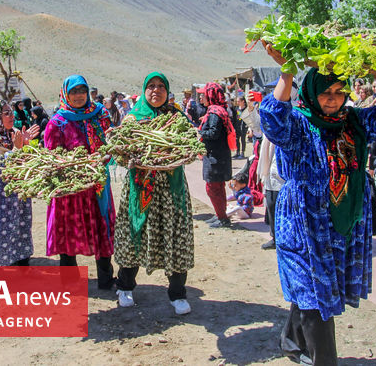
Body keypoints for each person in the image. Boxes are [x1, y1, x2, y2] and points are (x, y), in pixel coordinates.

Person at [259, 40, 376, 366]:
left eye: (339, 92)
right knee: (315, 294)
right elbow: (271, 119)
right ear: (312, 91)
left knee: (319, 285)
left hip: (343, 221)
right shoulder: (298, 122)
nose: (332, 98)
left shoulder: (354, 121)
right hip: (303, 221)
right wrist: (286, 72)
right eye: (326, 92)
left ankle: (290, 339)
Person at [114, 72, 194, 315]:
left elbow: (190, 148)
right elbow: (119, 154)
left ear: (167, 91)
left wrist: (176, 157)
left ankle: (177, 294)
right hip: (140, 189)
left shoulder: (177, 117)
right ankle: (125, 287)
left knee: (175, 236)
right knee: (134, 236)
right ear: (144, 90)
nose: (156, 90)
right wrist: (130, 157)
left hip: (171, 190)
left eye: (161, 86)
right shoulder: (132, 119)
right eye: (151, 86)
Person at [44, 75, 116, 289]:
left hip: (97, 185)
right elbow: (51, 156)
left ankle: (106, 279)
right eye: (73, 91)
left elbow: (110, 143)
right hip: (70, 189)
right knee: (68, 233)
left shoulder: (99, 115)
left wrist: (104, 156)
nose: (78, 96)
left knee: (101, 228)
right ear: (66, 93)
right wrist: (72, 165)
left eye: (82, 91)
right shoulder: (57, 123)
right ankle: (70, 283)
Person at [0, 101, 39, 266]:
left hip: (15, 200)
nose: (11, 116)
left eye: (11, 112)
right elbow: (2, 170)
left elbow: (23, 166)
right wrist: (17, 149)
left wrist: (24, 145)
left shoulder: (10, 137)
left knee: (18, 234)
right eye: (6, 113)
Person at [199, 82, 236, 228]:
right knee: (218, 187)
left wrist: (199, 132)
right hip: (219, 155)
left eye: (204, 94)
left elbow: (213, 134)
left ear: (211, 95)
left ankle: (222, 218)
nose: (202, 97)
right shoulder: (218, 110)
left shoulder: (214, 113)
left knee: (213, 188)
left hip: (215, 156)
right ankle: (220, 214)